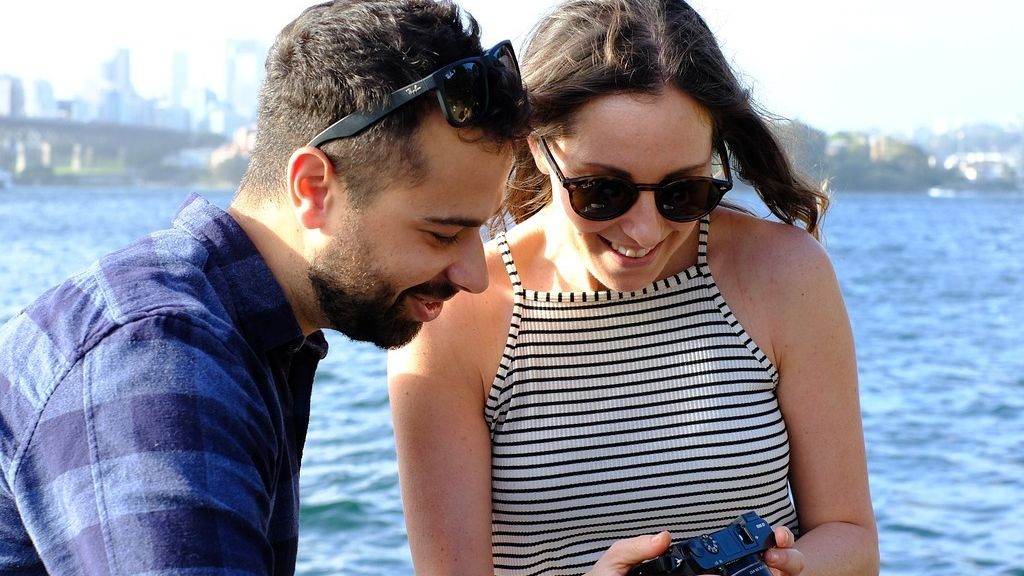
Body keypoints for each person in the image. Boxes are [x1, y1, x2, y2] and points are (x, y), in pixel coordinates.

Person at [0, 1, 541, 573]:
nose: (475, 276)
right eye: (442, 234)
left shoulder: (245, 337)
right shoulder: (157, 361)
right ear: (313, 189)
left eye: (482, 231)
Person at [387, 0, 880, 575]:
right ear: (537, 145)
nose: (644, 231)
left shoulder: (785, 273)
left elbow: (852, 541)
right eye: (603, 191)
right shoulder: (454, 311)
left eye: (683, 193)